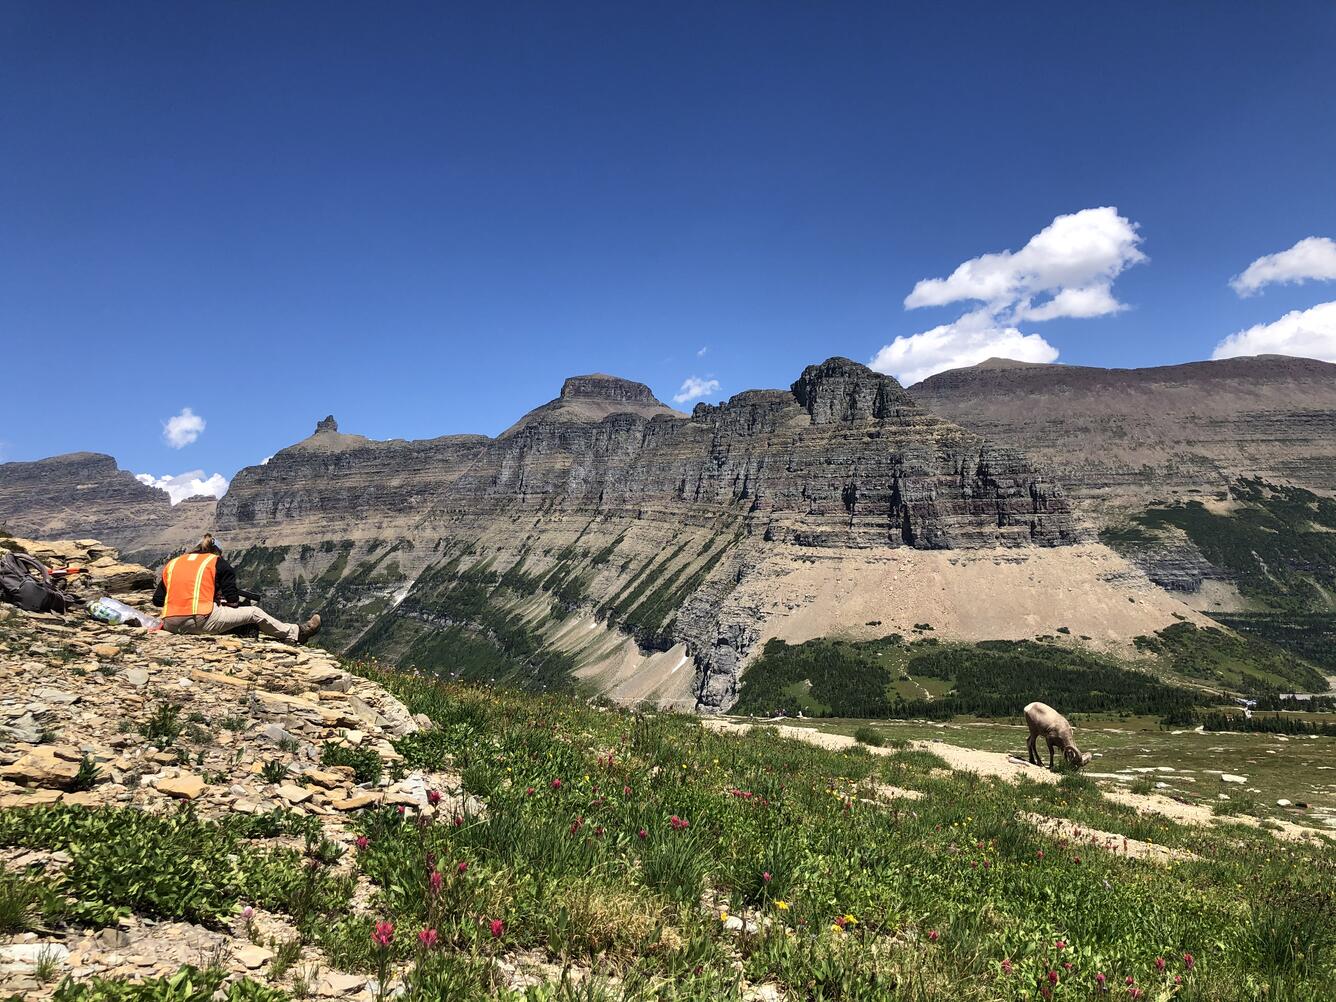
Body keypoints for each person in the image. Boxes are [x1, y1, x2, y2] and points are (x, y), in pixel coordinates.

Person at [152, 534, 320, 644]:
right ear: (218, 552)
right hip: (198, 621)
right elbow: (233, 601)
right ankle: (296, 633)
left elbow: (158, 600)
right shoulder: (217, 562)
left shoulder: (173, 563)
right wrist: (219, 602)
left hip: (169, 624)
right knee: (254, 612)